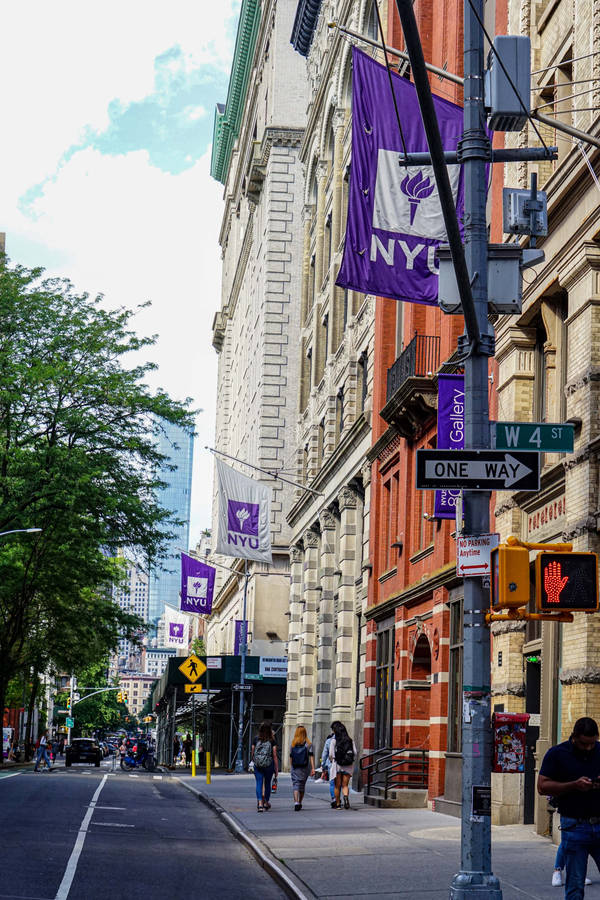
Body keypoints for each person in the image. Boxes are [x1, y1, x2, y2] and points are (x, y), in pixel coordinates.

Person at [538, 716, 600, 898]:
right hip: (575, 826)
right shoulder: (557, 754)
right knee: (575, 884)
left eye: (592, 743)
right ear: (574, 737)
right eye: (583, 744)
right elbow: (542, 786)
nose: (588, 748)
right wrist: (573, 785)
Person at [251, 721, 278, 812]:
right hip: (268, 765)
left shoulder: (255, 739)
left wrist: (254, 761)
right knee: (267, 784)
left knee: (259, 783)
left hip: (258, 765)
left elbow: (253, 752)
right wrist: (276, 769)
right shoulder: (272, 740)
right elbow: (274, 755)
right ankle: (266, 802)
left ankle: (259, 804)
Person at [329, 721, 357, 810]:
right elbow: (355, 752)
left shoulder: (334, 741)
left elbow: (331, 754)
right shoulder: (350, 740)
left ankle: (337, 804)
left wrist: (332, 759)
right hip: (348, 765)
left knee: (337, 786)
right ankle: (346, 798)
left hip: (337, 765)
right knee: (345, 785)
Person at [289, 725, 315, 811]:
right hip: (305, 767)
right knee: (302, 785)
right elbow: (311, 756)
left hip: (295, 767)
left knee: (296, 784)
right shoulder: (308, 744)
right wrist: (313, 768)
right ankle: (300, 802)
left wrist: (291, 766)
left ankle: (296, 802)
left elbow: (291, 756)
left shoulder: (293, 744)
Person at [321, 730, 336, 806]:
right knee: (339, 784)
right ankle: (339, 799)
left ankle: (334, 799)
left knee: (332, 783)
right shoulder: (345, 739)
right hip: (342, 765)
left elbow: (325, 754)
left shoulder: (329, 741)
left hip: (332, 764)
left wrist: (323, 765)